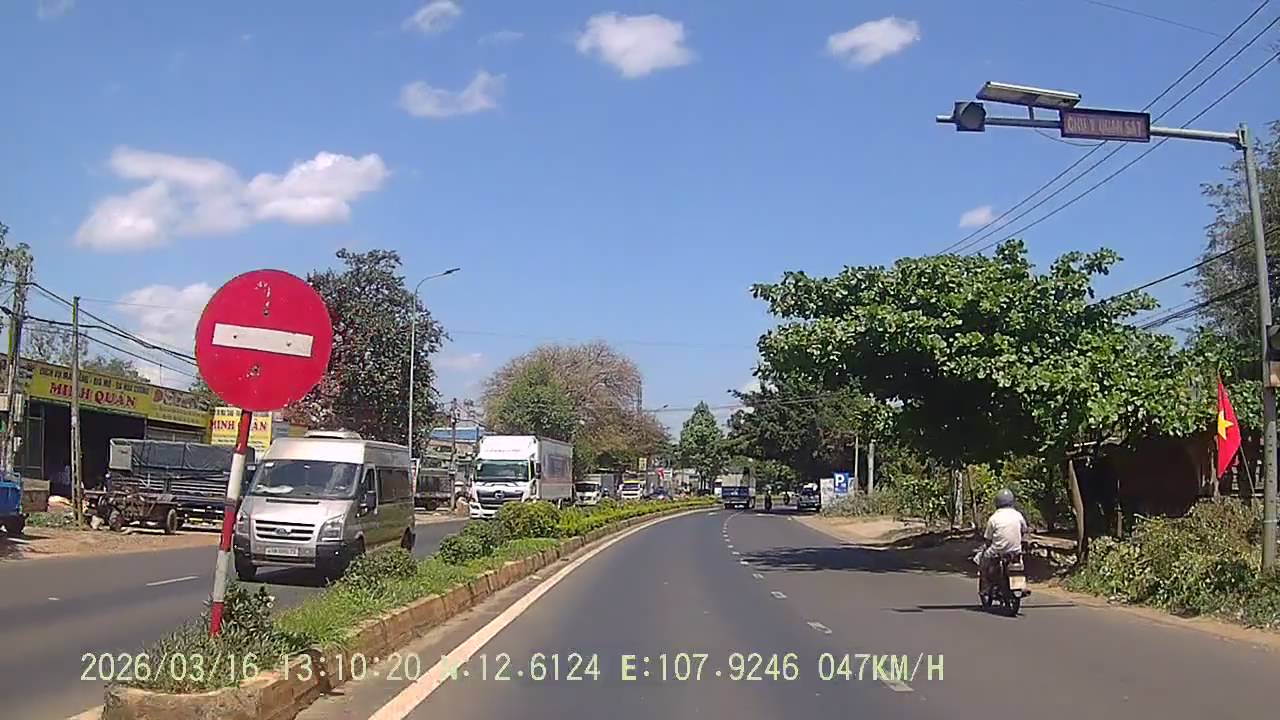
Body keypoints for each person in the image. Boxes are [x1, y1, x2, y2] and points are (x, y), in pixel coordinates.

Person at [976, 488, 1029, 594]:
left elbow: (988, 539)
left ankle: (986, 587)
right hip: (1015, 551)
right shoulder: (1018, 515)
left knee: (983, 561)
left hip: (997, 551)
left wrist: (986, 547)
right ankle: (1022, 586)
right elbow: (1024, 530)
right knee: (1019, 562)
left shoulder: (994, 518)